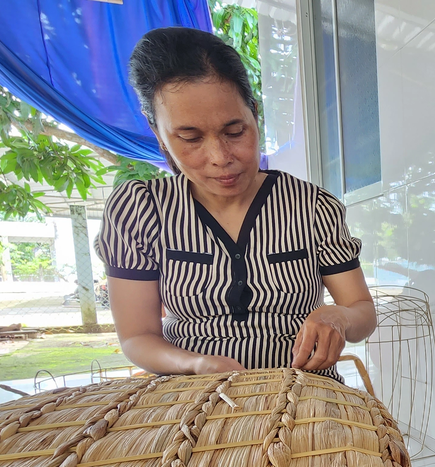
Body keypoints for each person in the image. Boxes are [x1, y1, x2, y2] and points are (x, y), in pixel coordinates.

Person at [96, 28, 375, 381]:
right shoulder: (141, 210)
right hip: (193, 401)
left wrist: (339, 316)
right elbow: (137, 337)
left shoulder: (313, 207)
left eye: (235, 131)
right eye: (190, 138)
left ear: (254, 114)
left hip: (304, 397)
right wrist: (195, 364)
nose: (220, 157)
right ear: (158, 134)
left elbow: (362, 311)